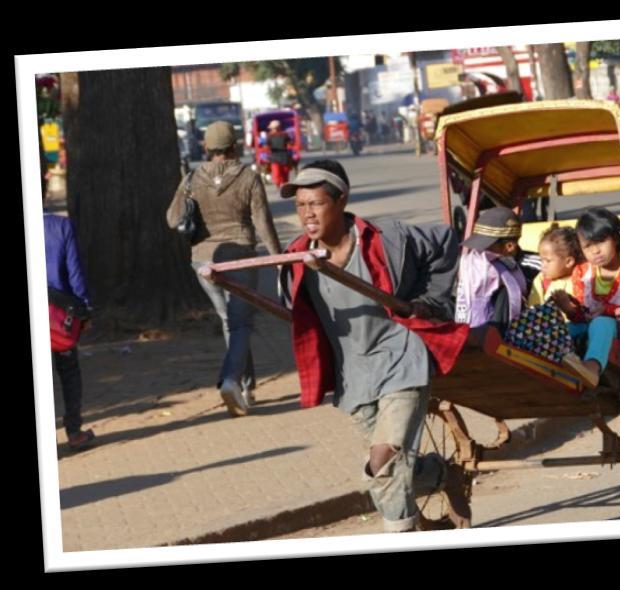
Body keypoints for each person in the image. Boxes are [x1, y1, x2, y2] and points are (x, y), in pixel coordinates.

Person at [278, 159, 470, 532]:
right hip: (354, 373)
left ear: (341, 200)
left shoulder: (387, 239)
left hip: (402, 358)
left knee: (381, 461)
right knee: (395, 469)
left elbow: (446, 244)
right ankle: (444, 474)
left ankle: (400, 535)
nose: (307, 214)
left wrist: (429, 303)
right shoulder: (297, 256)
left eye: (315, 203)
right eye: (300, 206)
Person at [166, 121, 282, 417]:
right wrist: (278, 260)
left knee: (230, 321)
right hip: (240, 256)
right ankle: (231, 381)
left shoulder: (192, 178)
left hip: (204, 261)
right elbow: (263, 223)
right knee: (240, 323)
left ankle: (247, 386)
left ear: (207, 148)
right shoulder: (249, 178)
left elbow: (171, 219)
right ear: (235, 146)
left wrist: (186, 193)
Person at [552, 208, 620, 387]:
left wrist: (608, 311)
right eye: (588, 246)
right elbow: (582, 315)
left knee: (601, 323)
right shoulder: (582, 272)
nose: (595, 251)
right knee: (562, 329)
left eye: (601, 241)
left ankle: (592, 368)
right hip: (589, 326)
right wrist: (568, 308)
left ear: (616, 238)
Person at [43, 169, 95, 451]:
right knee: (69, 371)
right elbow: (75, 273)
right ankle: (74, 431)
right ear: (45, 193)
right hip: (58, 317)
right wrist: (84, 309)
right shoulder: (60, 227)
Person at [454, 207, 528, 336]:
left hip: (512, 332)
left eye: (485, 247)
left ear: (509, 247)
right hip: (473, 327)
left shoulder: (529, 268)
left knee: (506, 293)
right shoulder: (476, 266)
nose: (478, 252)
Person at [527, 227, 583, 314]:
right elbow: (533, 310)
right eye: (541, 260)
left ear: (568, 262)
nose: (543, 266)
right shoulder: (541, 280)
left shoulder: (583, 279)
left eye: (548, 261)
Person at [266, 120, 292, 188]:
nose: (272, 129)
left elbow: (290, 144)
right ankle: (278, 185)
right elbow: (267, 146)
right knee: (276, 173)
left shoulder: (284, 135)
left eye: (273, 128)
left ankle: (285, 185)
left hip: (284, 156)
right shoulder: (269, 136)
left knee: (285, 172)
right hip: (274, 157)